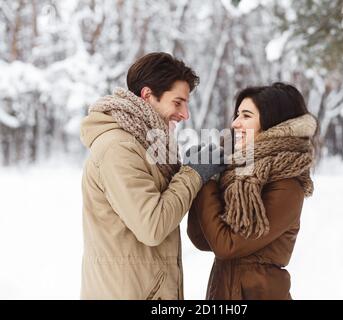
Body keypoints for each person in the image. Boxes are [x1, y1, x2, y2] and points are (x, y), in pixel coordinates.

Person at [80, 52, 225, 299]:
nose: (185, 114)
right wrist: (192, 174)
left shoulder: (147, 145)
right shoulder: (119, 149)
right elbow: (152, 226)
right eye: (178, 103)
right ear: (148, 96)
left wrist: (193, 173)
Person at [187, 82, 318, 300]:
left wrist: (208, 179)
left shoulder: (286, 186)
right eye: (237, 115)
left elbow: (227, 245)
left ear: (272, 124)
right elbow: (201, 238)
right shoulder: (235, 175)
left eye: (246, 116)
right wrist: (202, 177)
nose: (235, 123)